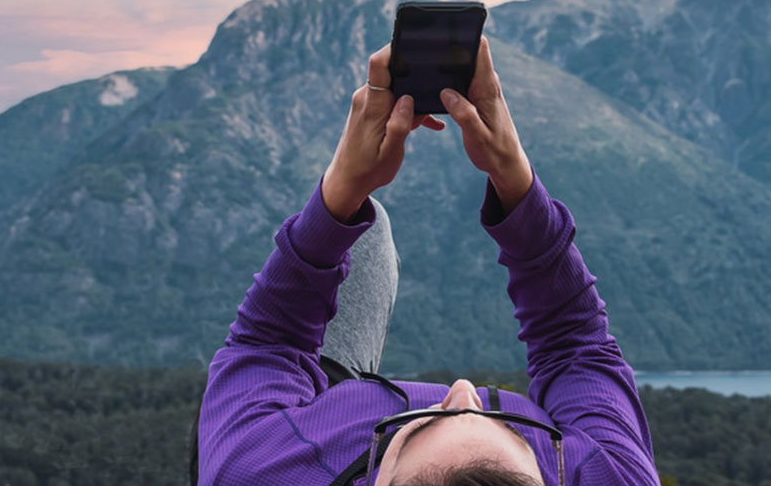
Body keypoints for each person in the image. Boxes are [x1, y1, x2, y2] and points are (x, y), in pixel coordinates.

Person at [195, 37, 660, 486]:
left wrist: (341, 191)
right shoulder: (609, 474)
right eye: (506, 426)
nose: (461, 389)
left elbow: (267, 343)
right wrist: (515, 182)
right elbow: (575, 346)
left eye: (416, 427)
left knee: (365, 227)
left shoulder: (257, 466)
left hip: (310, 429)